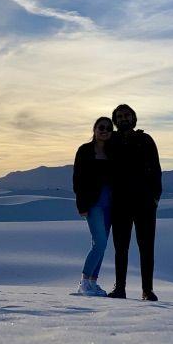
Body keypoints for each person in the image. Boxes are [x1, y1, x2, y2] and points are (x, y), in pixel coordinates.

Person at [106, 104, 162, 301]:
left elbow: (156, 169)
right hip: (119, 203)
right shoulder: (110, 141)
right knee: (121, 247)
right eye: (119, 116)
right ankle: (119, 288)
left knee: (146, 247)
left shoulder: (146, 139)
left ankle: (147, 290)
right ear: (115, 120)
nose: (123, 119)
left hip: (145, 203)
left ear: (133, 118)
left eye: (127, 115)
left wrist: (155, 198)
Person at [72, 116, 115, 296]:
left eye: (108, 128)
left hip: (111, 204)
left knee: (101, 245)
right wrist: (81, 204)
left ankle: (93, 282)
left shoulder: (114, 152)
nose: (104, 131)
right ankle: (84, 282)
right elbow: (78, 179)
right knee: (100, 243)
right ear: (94, 130)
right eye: (101, 127)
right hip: (93, 203)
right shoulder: (84, 151)